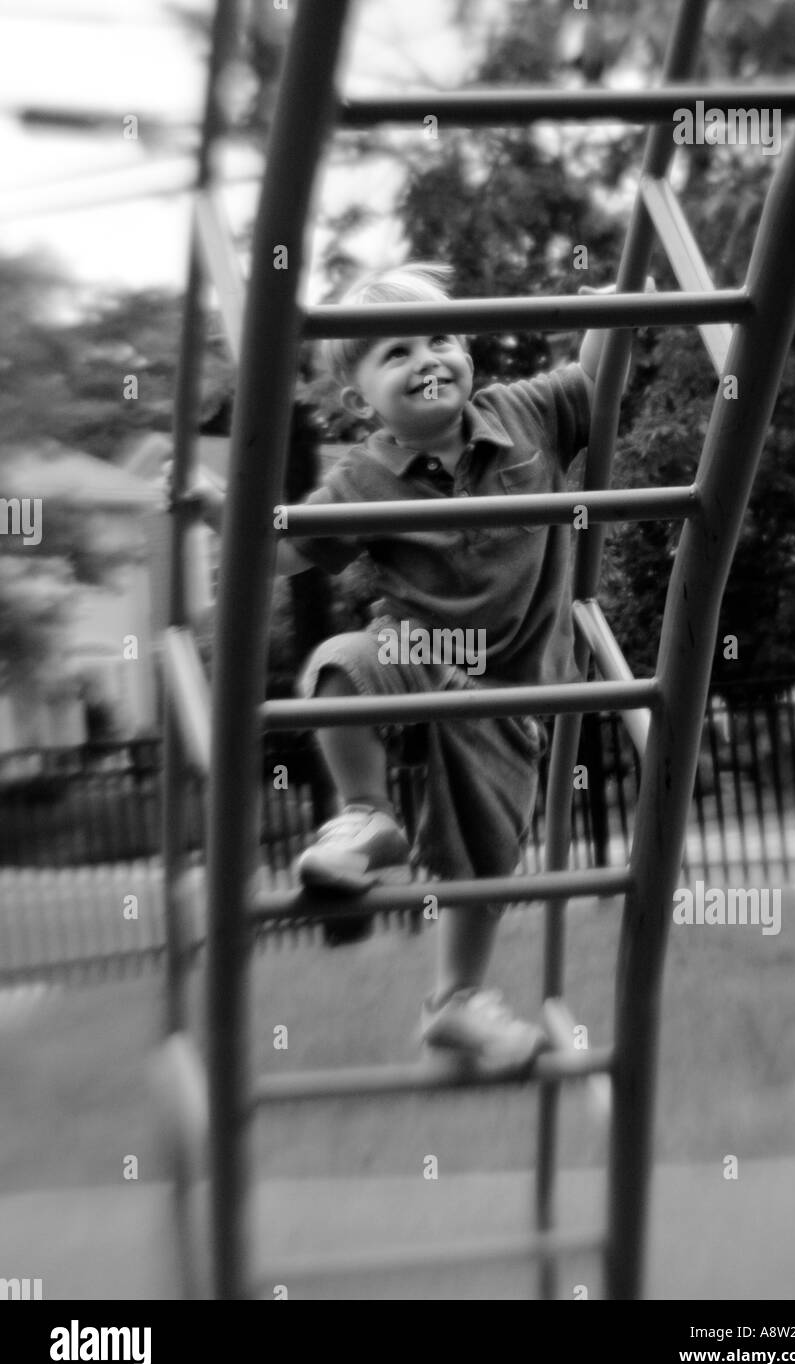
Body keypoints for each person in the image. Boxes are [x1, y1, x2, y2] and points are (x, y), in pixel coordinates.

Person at [187, 262, 624, 1068]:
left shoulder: (524, 412)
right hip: (417, 654)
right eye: (396, 353)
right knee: (337, 662)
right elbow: (281, 553)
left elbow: (592, 389)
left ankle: (455, 1002)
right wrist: (222, 512)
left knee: (484, 845)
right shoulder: (361, 475)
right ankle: (366, 816)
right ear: (360, 401)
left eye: (442, 339)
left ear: (468, 353)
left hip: (510, 687)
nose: (428, 359)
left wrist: (606, 313)